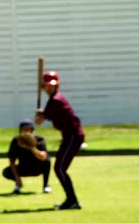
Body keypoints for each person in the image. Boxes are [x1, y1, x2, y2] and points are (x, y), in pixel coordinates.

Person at [34, 71, 84, 210]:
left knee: (60, 168)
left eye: (52, 86)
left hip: (73, 136)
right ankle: (71, 200)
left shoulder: (55, 100)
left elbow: (38, 121)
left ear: (57, 86)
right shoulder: (54, 100)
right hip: (70, 137)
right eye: (47, 86)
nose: (49, 88)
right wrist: (42, 114)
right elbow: (48, 116)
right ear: (44, 87)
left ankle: (72, 200)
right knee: (60, 168)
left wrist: (39, 114)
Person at [2, 119, 51, 194]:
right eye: (24, 129)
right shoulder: (16, 141)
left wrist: (31, 146)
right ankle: (18, 186)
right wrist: (17, 178)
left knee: (47, 161)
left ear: (32, 130)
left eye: (29, 129)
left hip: (37, 168)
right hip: (24, 168)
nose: (27, 131)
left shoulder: (39, 139)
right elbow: (12, 160)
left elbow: (43, 157)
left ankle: (45, 186)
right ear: (20, 130)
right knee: (6, 172)